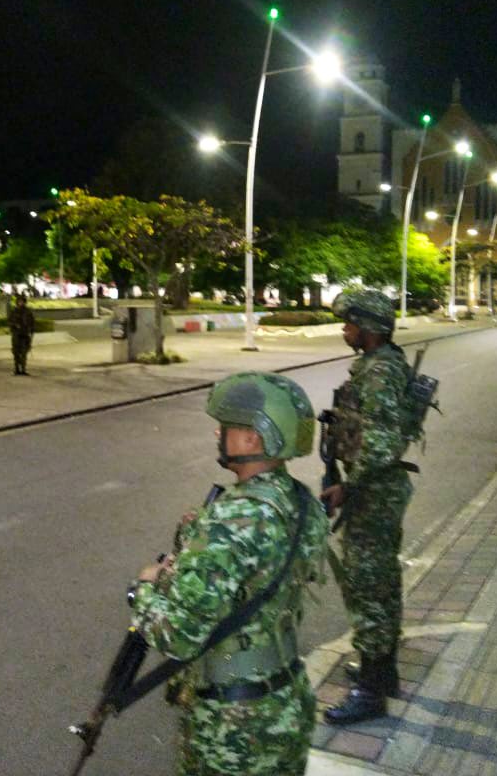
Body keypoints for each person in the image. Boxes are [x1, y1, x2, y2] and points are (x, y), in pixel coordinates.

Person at [131, 372, 329, 776]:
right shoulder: (303, 504)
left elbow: (179, 636)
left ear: (254, 438)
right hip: (287, 702)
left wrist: (144, 590)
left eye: (227, 425)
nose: (217, 432)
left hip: (235, 729)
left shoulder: (233, 517)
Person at [320, 288, 415, 724]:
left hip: (373, 493)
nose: (345, 329)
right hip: (380, 489)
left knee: (367, 588)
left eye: (349, 321)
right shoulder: (383, 365)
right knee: (382, 584)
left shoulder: (379, 372)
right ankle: (383, 671)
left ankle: (371, 693)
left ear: (368, 327)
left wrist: (349, 487)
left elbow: (380, 442)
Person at [6, 293, 35, 375]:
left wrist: (32, 332)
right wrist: (14, 325)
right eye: (19, 301)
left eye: (22, 301)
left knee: (24, 353)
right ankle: (16, 369)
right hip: (16, 335)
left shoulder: (28, 311)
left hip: (25, 335)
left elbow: (32, 322)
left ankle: (23, 369)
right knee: (16, 352)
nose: (21, 303)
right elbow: (9, 321)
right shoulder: (14, 311)